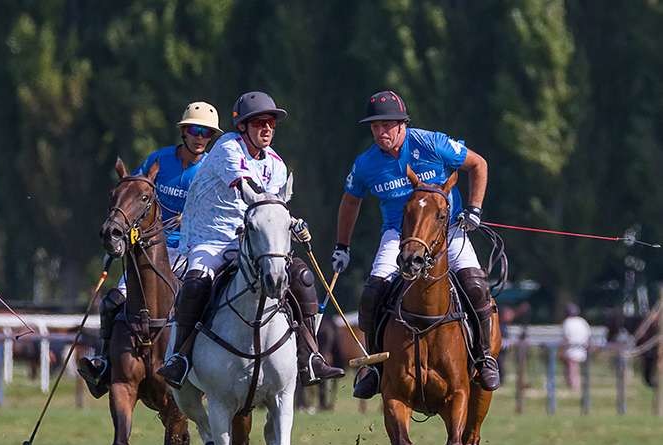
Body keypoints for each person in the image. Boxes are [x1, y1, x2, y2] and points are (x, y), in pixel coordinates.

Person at [157, 91, 344, 388]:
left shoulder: (278, 165)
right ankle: (179, 356)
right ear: (242, 127)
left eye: (271, 123)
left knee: (302, 276)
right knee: (196, 281)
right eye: (258, 123)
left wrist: (293, 224)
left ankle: (310, 356)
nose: (267, 129)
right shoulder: (227, 148)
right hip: (211, 237)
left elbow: (273, 208)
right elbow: (250, 191)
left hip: (252, 240)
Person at [331, 90, 499, 399]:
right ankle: (375, 367)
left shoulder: (431, 143)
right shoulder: (366, 164)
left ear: (402, 124)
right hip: (399, 235)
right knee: (373, 292)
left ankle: (484, 355)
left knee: (475, 285)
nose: (381, 133)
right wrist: (342, 246)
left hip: (446, 230)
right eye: (375, 127)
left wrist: (474, 209)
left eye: (387, 125)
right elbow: (350, 201)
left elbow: (478, 164)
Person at [77, 101, 222, 397]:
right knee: (112, 301)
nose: (200, 137)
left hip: (189, 249)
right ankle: (103, 362)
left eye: (206, 133)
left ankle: (200, 365)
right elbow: (133, 190)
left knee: (202, 301)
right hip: (148, 248)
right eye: (195, 130)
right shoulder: (159, 159)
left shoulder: (211, 169)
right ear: (184, 132)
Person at [561, 303, 591, 394]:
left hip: (571, 348)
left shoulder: (567, 322)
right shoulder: (582, 321)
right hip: (581, 348)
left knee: (572, 368)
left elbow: (566, 337)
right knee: (574, 368)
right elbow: (588, 335)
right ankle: (574, 385)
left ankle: (574, 387)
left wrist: (562, 349)